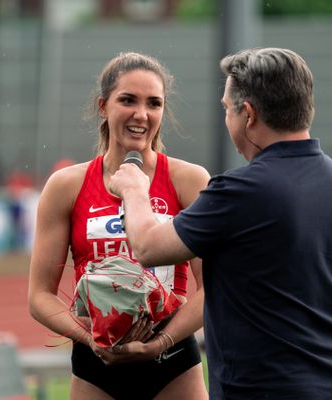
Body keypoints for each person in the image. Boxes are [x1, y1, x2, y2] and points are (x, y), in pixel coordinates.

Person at [105, 48, 332, 400]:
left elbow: (147, 247)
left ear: (247, 114)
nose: (226, 118)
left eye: (225, 109)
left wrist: (133, 189)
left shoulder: (240, 191)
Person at [28, 52, 210, 400]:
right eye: (128, 100)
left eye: (154, 103)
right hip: (96, 365)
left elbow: (212, 287)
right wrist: (92, 339)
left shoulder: (188, 180)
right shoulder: (66, 186)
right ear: (103, 106)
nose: (141, 114)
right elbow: (38, 296)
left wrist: (159, 343)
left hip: (172, 364)